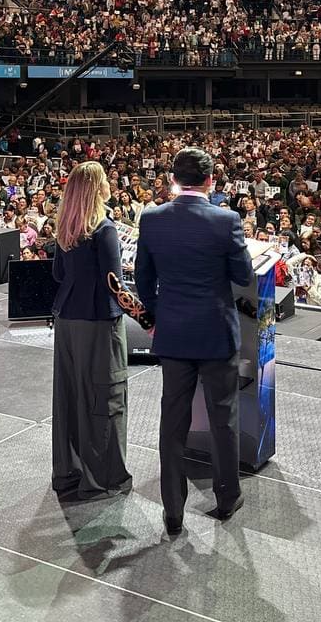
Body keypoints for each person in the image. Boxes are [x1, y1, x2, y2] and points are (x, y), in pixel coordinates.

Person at [135, 147, 254, 537]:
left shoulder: (151, 218)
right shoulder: (227, 220)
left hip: (173, 332)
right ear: (211, 181)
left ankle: (172, 510)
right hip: (216, 333)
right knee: (224, 418)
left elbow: (143, 279)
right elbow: (242, 275)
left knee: (173, 421)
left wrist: (156, 316)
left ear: (173, 179)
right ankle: (226, 496)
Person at [49, 161, 132, 501]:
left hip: (67, 320)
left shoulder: (65, 227)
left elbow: (57, 274)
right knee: (104, 396)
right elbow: (114, 283)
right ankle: (104, 477)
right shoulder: (105, 229)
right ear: (99, 188)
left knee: (69, 397)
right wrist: (142, 311)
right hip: (99, 323)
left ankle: (69, 472)